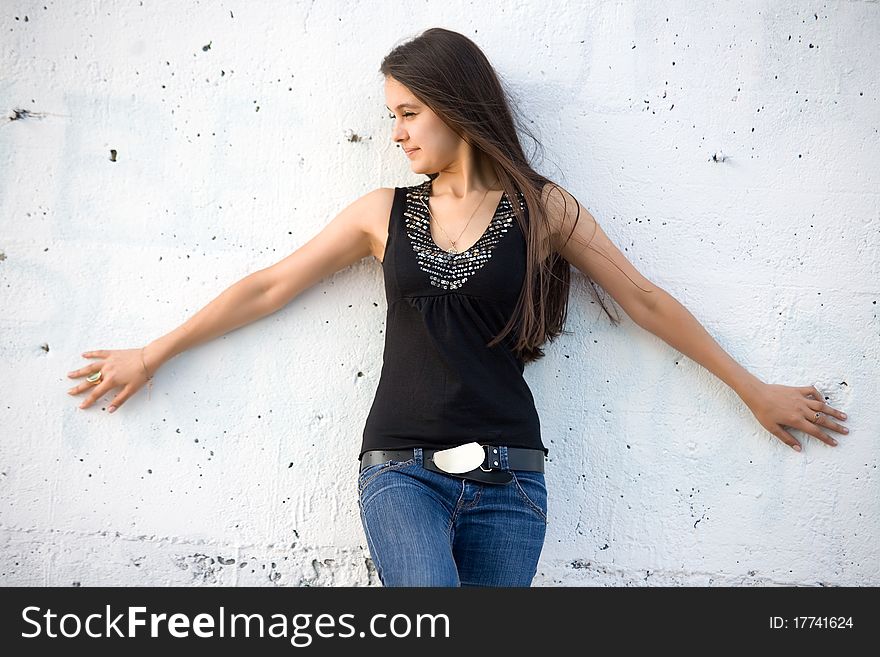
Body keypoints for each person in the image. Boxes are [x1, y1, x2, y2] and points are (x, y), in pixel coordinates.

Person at [65, 28, 850, 587]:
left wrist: (753, 389)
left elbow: (643, 298)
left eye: (408, 112)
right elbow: (270, 285)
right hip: (402, 469)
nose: (397, 132)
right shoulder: (382, 213)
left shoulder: (545, 211)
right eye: (391, 116)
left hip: (512, 475)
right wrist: (152, 351)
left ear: (453, 104)